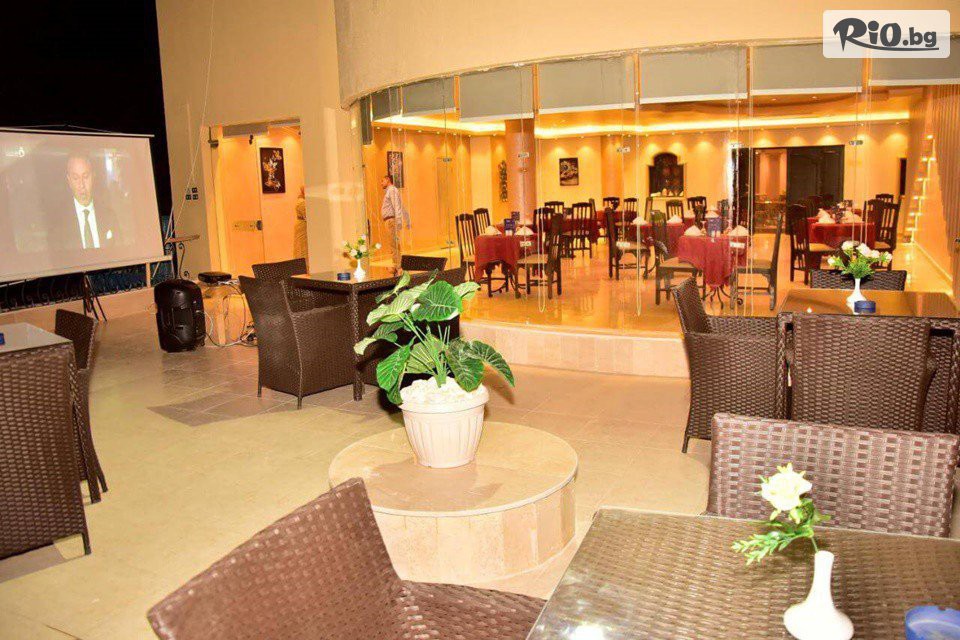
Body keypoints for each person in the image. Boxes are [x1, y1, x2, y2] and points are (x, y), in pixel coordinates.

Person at [52, 154, 121, 251]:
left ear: (93, 177)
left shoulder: (109, 215)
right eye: (76, 178)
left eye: (85, 177)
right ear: (69, 181)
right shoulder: (58, 221)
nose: (81, 185)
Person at [379, 174, 409, 268]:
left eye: (382, 181)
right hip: (389, 220)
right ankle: (398, 264)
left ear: (388, 180)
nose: (381, 183)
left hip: (391, 220)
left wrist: (399, 221)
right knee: (393, 243)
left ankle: (397, 265)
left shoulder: (392, 190)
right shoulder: (390, 191)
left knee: (393, 244)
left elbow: (396, 205)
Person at [293, 185, 308, 261]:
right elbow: (307, 216)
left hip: (302, 225)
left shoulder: (302, 200)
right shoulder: (302, 202)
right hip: (302, 226)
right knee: (302, 247)